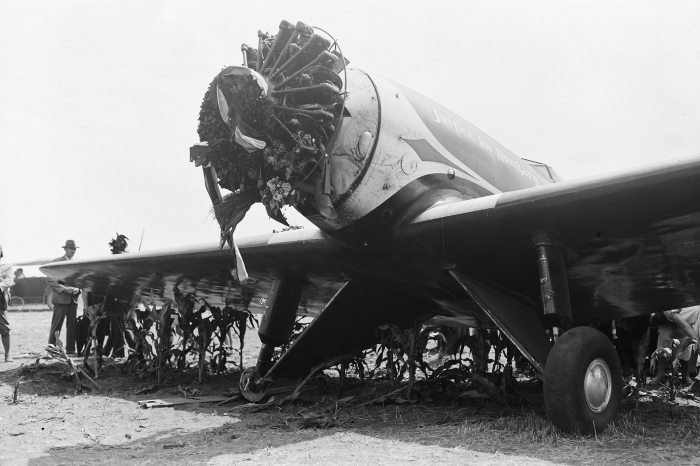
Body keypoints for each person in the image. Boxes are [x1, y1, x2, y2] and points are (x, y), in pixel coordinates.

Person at [649, 306, 700, 385]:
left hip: (686, 328)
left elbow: (686, 327)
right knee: (662, 350)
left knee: (686, 353)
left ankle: (685, 375)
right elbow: (682, 324)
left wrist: (695, 341)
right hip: (667, 324)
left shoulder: (695, 309)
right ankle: (660, 374)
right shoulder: (668, 307)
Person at [46, 240, 81, 354]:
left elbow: (80, 280)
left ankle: (71, 350)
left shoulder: (77, 263)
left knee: (72, 326)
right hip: (60, 299)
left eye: (74, 249)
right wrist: (65, 289)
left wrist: (78, 289)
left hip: (73, 299)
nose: (72, 251)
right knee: (56, 326)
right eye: (70, 248)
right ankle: (52, 349)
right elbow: (49, 279)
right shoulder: (56, 262)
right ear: (65, 249)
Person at [0, 244, 14, 362]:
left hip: (0, 300)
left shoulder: (7, 266)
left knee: (4, 328)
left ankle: (7, 355)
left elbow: (9, 280)